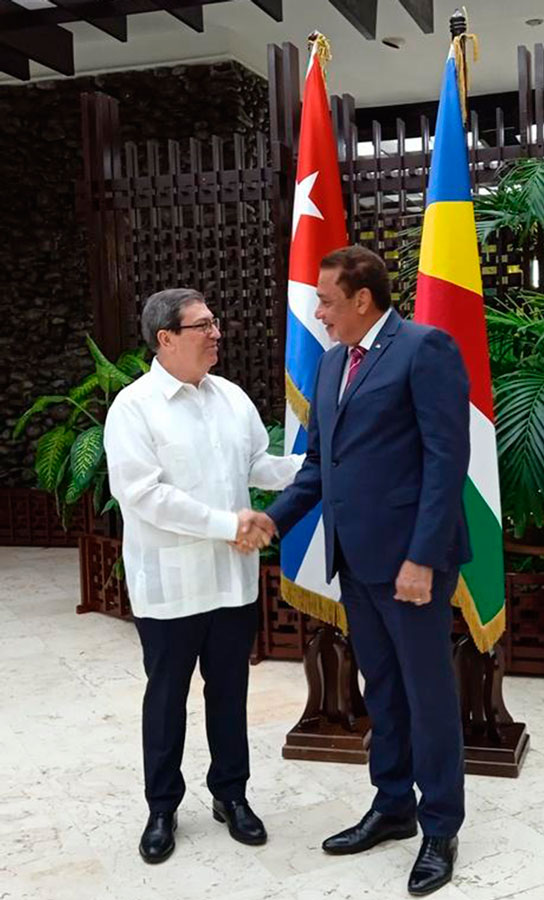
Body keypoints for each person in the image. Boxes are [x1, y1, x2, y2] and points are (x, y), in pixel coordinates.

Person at [265, 246, 471, 897]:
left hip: (410, 565)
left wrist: (421, 558)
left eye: (326, 300)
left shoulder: (424, 349)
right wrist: (272, 519)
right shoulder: (330, 366)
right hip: (354, 560)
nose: (317, 313)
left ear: (361, 299)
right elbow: (321, 466)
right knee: (380, 690)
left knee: (428, 696)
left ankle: (440, 825)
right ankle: (393, 806)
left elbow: (445, 462)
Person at [104, 288, 296, 864]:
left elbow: (257, 465)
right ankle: (162, 807)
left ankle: (231, 796)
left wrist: (314, 469)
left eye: (215, 323)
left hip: (231, 581)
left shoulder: (230, 397)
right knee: (166, 699)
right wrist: (225, 522)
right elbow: (142, 495)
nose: (216, 334)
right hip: (170, 585)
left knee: (230, 693)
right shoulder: (133, 408)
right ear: (166, 338)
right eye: (203, 326)